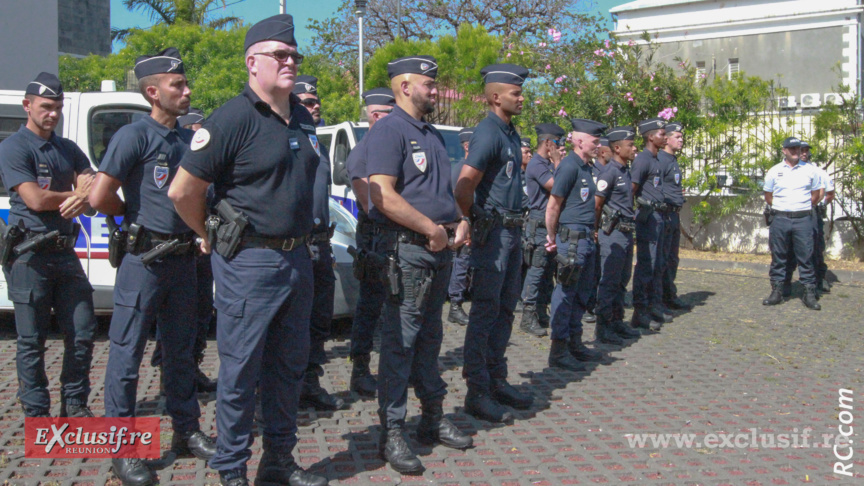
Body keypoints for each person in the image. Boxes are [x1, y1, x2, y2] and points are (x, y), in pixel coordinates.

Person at [168, 14, 328, 486]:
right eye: (280, 55)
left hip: (297, 258)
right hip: (250, 262)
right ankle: (231, 468)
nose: (290, 62)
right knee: (239, 373)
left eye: (294, 55)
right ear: (252, 61)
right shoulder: (232, 117)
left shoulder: (299, 114)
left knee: (288, 369)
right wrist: (212, 232)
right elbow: (182, 191)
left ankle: (278, 460)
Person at [89, 48, 216, 485]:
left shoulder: (186, 140)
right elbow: (98, 195)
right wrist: (131, 214)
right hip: (143, 261)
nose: (186, 90)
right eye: (177, 85)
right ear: (152, 92)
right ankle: (122, 450)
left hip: (183, 261)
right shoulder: (134, 136)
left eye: (185, 83)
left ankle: (186, 431)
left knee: (181, 354)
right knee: (126, 357)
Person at [365, 55, 473, 473]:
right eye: (428, 84)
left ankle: (431, 418)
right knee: (400, 344)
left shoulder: (428, 133)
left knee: (430, 339)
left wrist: (459, 222)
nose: (435, 90)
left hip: (438, 249)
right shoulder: (390, 129)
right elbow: (382, 195)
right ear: (404, 87)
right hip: (409, 252)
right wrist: (431, 228)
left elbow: (440, 193)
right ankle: (392, 432)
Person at [0, 72, 97, 419]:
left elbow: (91, 180)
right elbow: (36, 199)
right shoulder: (14, 147)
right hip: (29, 257)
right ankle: (37, 412)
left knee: (83, 330)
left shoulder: (66, 148)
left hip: (63, 254)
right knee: (31, 341)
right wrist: (77, 196)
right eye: (45, 107)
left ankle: (74, 403)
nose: (52, 114)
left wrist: (86, 190)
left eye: (57, 107)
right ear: (28, 106)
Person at [455, 63, 532, 423]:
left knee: (505, 309)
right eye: (516, 93)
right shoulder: (488, 132)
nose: (522, 97)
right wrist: (472, 217)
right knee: (485, 311)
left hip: (513, 232)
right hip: (494, 234)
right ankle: (477, 390)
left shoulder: (510, 132)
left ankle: (497, 379)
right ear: (496, 96)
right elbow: (464, 184)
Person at [148, 107, 217, 396]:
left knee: (199, 313)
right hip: (180, 246)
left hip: (201, 248)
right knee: (173, 320)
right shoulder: (180, 162)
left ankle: (192, 365)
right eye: (194, 130)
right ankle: (168, 374)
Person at [291, 74, 345, 412]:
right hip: (295, 245)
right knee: (291, 322)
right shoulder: (287, 137)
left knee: (318, 319)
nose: (316, 106)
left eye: (317, 101)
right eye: (308, 102)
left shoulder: (317, 144)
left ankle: (310, 381)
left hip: (320, 245)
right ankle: (284, 389)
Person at [543, 119, 607, 371]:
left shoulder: (586, 167)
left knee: (582, 294)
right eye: (595, 141)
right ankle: (558, 349)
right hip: (570, 241)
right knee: (566, 294)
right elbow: (553, 205)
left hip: (585, 239)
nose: (598, 145)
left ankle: (574, 342)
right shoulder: (569, 166)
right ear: (579, 141)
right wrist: (551, 237)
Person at [346, 87, 395, 398]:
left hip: (394, 236)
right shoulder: (362, 153)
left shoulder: (389, 149)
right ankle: (360, 370)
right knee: (370, 306)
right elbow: (370, 204)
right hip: (376, 237)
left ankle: (395, 367)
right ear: (377, 116)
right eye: (391, 115)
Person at [593, 127, 644, 344]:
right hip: (611, 234)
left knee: (622, 280)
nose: (634, 148)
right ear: (616, 148)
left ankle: (616, 321)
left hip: (625, 233)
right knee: (609, 281)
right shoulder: (610, 172)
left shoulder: (626, 170)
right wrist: (595, 231)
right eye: (630, 145)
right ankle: (603, 327)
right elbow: (597, 204)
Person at [762, 137, 823, 311]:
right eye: (792, 148)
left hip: (803, 219)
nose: (796, 151)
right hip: (780, 219)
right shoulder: (774, 171)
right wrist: (783, 208)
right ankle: (777, 291)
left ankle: (809, 293)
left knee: (806, 256)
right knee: (779, 256)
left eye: (798, 148)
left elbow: (816, 195)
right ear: (784, 151)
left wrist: (800, 207)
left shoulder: (810, 170)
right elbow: (768, 195)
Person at [519, 123, 565, 337]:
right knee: (537, 271)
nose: (559, 147)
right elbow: (557, 186)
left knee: (547, 272)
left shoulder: (544, 163)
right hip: (538, 222)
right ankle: (527, 317)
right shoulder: (537, 164)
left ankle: (540, 311)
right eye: (556, 143)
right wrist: (558, 162)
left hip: (550, 221)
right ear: (548, 143)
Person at [630, 118, 670, 331]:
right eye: (662, 134)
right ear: (650, 136)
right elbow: (631, 190)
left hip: (659, 218)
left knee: (658, 264)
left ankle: (654, 304)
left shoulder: (656, 160)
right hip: (648, 218)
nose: (665, 137)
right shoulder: (643, 160)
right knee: (647, 264)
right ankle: (640, 311)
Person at [784, 141, 834, 295]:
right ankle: (785, 283)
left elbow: (829, 193)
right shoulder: (786, 170)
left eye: (806, 151)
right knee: (788, 249)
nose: (804, 153)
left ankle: (819, 279)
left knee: (815, 248)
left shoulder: (817, 171)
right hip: (790, 214)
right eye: (801, 150)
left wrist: (812, 205)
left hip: (811, 213)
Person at [658, 122, 691, 310]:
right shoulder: (660, 160)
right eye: (677, 137)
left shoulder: (673, 160)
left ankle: (669, 294)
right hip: (664, 214)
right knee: (662, 259)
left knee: (672, 258)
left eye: (681, 137)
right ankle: (660, 297)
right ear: (666, 139)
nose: (681, 140)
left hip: (674, 214)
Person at [447, 126, 474, 326]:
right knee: (461, 263)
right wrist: (465, 224)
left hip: (472, 222)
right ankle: (455, 305)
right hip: (464, 223)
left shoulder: (471, 167)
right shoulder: (461, 169)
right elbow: (457, 198)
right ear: (467, 146)